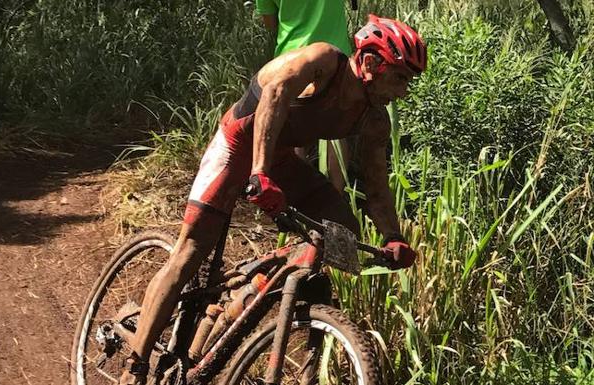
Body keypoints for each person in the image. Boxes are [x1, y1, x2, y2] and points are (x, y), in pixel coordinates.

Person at [119, 14, 427, 384]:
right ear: (370, 62)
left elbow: (377, 186)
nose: (403, 91)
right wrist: (259, 172)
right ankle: (134, 365)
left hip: (279, 158)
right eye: (399, 77)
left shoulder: (374, 121)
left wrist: (393, 237)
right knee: (187, 255)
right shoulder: (324, 61)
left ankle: (247, 297)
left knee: (339, 227)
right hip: (237, 146)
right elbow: (275, 94)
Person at [256, 0, 353, 193]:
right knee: (336, 131)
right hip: (336, 54)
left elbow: (270, 22)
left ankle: (299, 194)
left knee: (296, 132)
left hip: (293, 56)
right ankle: (337, 194)